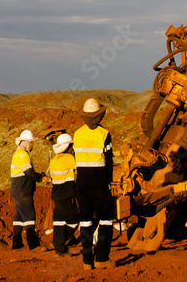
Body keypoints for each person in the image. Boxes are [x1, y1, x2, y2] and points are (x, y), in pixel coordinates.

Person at [73, 98, 115, 270]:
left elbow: (76, 159)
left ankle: (87, 261)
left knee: (85, 222)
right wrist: (109, 182)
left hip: (82, 185)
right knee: (105, 221)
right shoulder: (104, 134)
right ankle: (102, 258)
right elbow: (109, 161)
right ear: (99, 115)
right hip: (99, 184)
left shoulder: (77, 134)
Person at [10, 129, 43, 250]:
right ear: (26, 143)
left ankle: (16, 242)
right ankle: (33, 244)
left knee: (19, 216)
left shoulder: (18, 153)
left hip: (17, 190)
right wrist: (41, 178)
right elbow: (28, 172)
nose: (32, 145)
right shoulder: (23, 155)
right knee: (29, 215)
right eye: (31, 142)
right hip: (22, 190)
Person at [47, 132, 77, 256]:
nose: (72, 148)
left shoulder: (54, 159)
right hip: (66, 194)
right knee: (74, 221)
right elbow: (80, 165)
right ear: (67, 147)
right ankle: (57, 242)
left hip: (56, 194)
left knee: (59, 222)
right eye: (71, 145)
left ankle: (59, 249)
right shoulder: (68, 158)